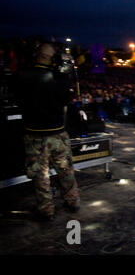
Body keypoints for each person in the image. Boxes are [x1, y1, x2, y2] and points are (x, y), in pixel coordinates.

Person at [15, 43, 80, 221]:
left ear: (37, 55)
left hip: (34, 133)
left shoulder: (21, 75)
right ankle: (72, 201)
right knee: (66, 171)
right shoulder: (60, 78)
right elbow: (68, 100)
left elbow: (17, 99)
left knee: (40, 175)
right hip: (58, 133)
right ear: (52, 58)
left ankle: (46, 210)